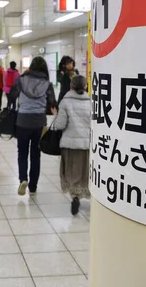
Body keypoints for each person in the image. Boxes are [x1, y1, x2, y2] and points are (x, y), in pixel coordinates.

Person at [11, 56, 57, 195]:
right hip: (39, 122)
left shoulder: (21, 80)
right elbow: (53, 102)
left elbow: (12, 95)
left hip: (23, 120)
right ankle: (33, 186)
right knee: (36, 155)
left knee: (22, 152)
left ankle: (23, 179)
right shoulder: (47, 84)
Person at [54, 75, 91, 215]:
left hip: (69, 145)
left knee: (71, 171)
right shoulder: (91, 102)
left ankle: (75, 196)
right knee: (84, 171)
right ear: (86, 87)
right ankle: (87, 192)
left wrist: (56, 116)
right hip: (86, 144)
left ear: (71, 87)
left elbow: (60, 124)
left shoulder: (65, 102)